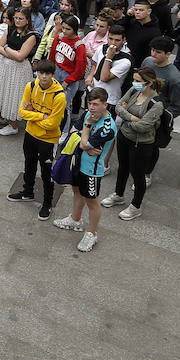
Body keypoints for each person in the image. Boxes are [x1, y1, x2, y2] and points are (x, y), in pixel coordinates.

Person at [53, 87, 119, 252]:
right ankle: (75, 219)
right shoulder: (88, 114)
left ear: (105, 104)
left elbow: (83, 142)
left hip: (91, 169)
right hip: (77, 161)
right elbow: (74, 131)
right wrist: (85, 143)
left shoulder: (107, 127)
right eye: (90, 103)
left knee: (92, 201)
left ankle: (92, 233)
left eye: (96, 104)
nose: (91, 107)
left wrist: (87, 128)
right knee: (76, 191)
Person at [103, 67, 166, 221]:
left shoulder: (156, 104)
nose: (134, 83)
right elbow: (118, 107)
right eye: (134, 80)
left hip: (141, 143)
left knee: (138, 175)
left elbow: (143, 127)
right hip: (124, 136)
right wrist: (132, 118)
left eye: (138, 81)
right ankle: (119, 194)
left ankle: (135, 206)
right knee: (122, 167)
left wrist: (125, 115)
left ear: (149, 83)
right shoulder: (133, 90)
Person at [7, 59, 67, 219]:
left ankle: (47, 203)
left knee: (47, 173)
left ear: (53, 75)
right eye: (41, 73)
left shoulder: (59, 96)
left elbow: (52, 124)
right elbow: (21, 112)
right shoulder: (31, 86)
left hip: (48, 140)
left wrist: (32, 114)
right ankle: (27, 192)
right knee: (29, 164)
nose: (44, 77)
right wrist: (41, 115)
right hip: (30, 134)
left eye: (47, 73)